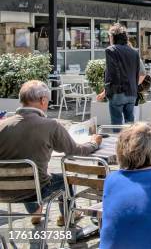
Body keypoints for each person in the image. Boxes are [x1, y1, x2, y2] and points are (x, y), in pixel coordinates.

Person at [0, 80, 102, 225]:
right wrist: (93, 143)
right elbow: (76, 151)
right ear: (42, 100)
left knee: (26, 171)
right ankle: (68, 216)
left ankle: (35, 210)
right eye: (48, 100)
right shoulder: (51, 125)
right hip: (35, 190)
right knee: (65, 178)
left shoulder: (2, 124)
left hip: (3, 191)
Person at [97, 23, 144, 125]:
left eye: (110, 36)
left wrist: (107, 91)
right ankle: (130, 141)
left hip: (117, 92)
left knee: (117, 124)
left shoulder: (111, 50)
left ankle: (118, 141)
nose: (109, 39)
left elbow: (111, 74)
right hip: (132, 92)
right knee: (130, 123)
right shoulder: (134, 52)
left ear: (113, 37)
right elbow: (137, 73)